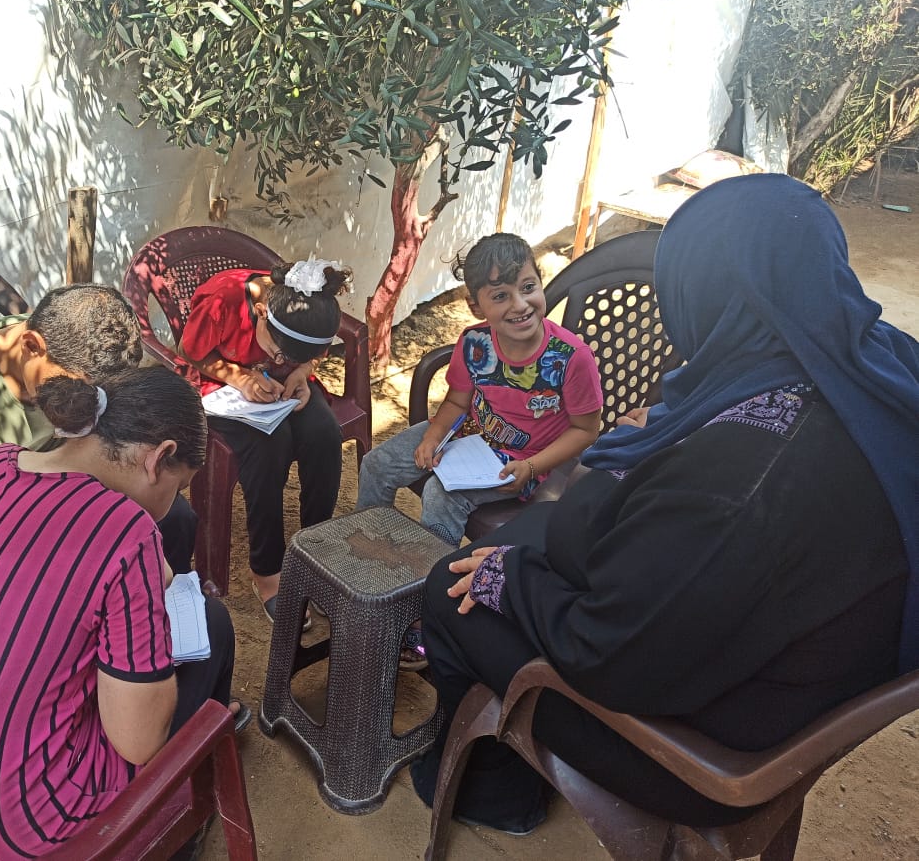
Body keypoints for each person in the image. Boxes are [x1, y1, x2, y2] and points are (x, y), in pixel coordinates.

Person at [409, 174, 919, 834]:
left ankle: (500, 793)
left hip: (706, 748)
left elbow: (610, 653)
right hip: (777, 660)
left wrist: (513, 579)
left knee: (450, 589)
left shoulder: (740, 477)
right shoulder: (873, 368)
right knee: (527, 536)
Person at [0, 366, 245, 860]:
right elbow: (138, 742)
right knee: (213, 626)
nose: (172, 503)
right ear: (158, 459)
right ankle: (176, 822)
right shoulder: (123, 531)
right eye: (178, 487)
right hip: (13, 828)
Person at [0, 283, 199, 575]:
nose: (83, 404)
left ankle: (177, 616)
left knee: (176, 518)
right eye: (75, 390)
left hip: (60, 481)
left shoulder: (64, 344)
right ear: (32, 346)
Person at [355, 232, 603, 546]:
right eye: (500, 296)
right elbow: (457, 403)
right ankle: (367, 546)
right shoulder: (475, 343)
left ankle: (430, 576)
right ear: (476, 306)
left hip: (521, 460)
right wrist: (434, 435)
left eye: (528, 287)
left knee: (440, 494)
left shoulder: (571, 358)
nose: (520, 304)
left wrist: (530, 467)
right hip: (464, 436)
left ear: (541, 282)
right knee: (377, 465)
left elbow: (585, 430)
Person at [178, 258, 349, 626]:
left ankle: (315, 552)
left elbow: (308, 359)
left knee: (324, 434)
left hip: (279, 388)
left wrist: (300, 372)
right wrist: (241, 378)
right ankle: (266, 570)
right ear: (259, 313)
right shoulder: (223, 301)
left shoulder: (311, 305)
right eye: (281, 352)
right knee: (269, 447)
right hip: (222, 386)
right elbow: (191, 350)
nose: (281, 361)